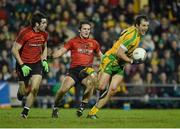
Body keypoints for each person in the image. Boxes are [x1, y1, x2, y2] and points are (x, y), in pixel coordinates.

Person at [87, 15, 149, 119]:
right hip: (111, 60)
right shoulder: (132, 37)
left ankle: (92, 113)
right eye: (143, 25)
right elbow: (120, 53)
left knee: (113, 89)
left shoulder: (135, 31)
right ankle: (90, 73)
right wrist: (132, 61)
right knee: (101, 87)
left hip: (120, 64)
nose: (146, 28)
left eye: (147, 25)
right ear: (137, 25)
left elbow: (123, 34)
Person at [51, 21, 103, 118]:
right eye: (84, 29)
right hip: (74, 71)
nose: (86, 31)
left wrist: (108, 62)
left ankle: (82, 107)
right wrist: (51, 56)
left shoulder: (94, 43)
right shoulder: (72, 41)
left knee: (91, 82)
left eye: (88, 29)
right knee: (63, 90)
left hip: (87, 71)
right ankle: (56, 107)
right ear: (79, 30)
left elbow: (101, 56)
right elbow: (61, 51)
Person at [11, 11, 49, 118]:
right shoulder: (25, 33)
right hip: (23, 63)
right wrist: (22, 65)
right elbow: (14, 50)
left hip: (36, 63)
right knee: (23, 91)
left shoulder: (44, 34)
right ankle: (20, 93)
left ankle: (25, 112)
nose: (46, 25)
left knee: (35, 88)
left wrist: (44, 60)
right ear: (36, 24)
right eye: (43, 23)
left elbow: (45, 46)